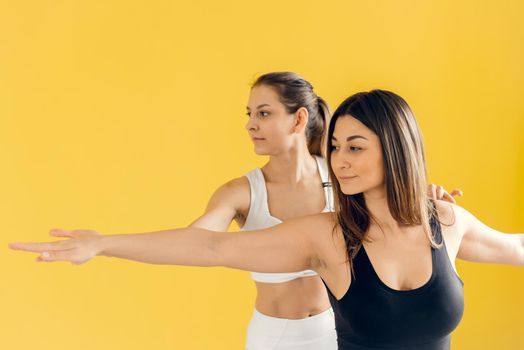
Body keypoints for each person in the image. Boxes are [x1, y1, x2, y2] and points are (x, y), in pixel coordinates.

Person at [8, 89, 494, 350]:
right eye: (337, 147)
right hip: (277, 335)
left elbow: (514, 248)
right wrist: (103, 243)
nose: (341, 159)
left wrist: (423, 197)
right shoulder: (323, 230)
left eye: (355, 147)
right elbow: (209, 247)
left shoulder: (445, 221)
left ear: (395, 149)